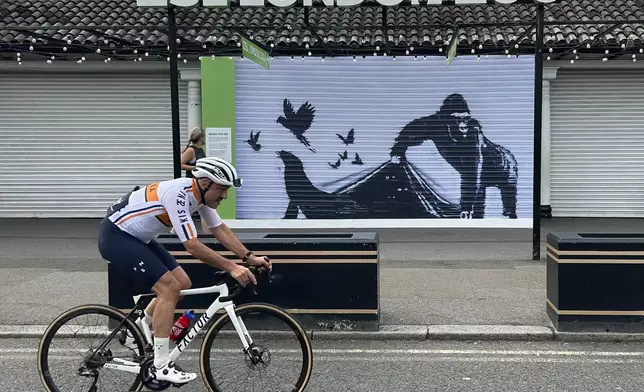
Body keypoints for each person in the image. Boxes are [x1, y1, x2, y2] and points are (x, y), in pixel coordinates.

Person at [98, 157, 271, 384]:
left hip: (138, 238)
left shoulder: (199, 197)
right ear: (205, 183)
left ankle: (138, 327)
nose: (224, 196)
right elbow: (192, 245)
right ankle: (160, 366)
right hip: (117, 236)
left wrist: (249, 257)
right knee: (169, 288)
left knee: (182, 283)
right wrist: (232, 267)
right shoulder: (178, 194)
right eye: (221, 189)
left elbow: (219, 229)